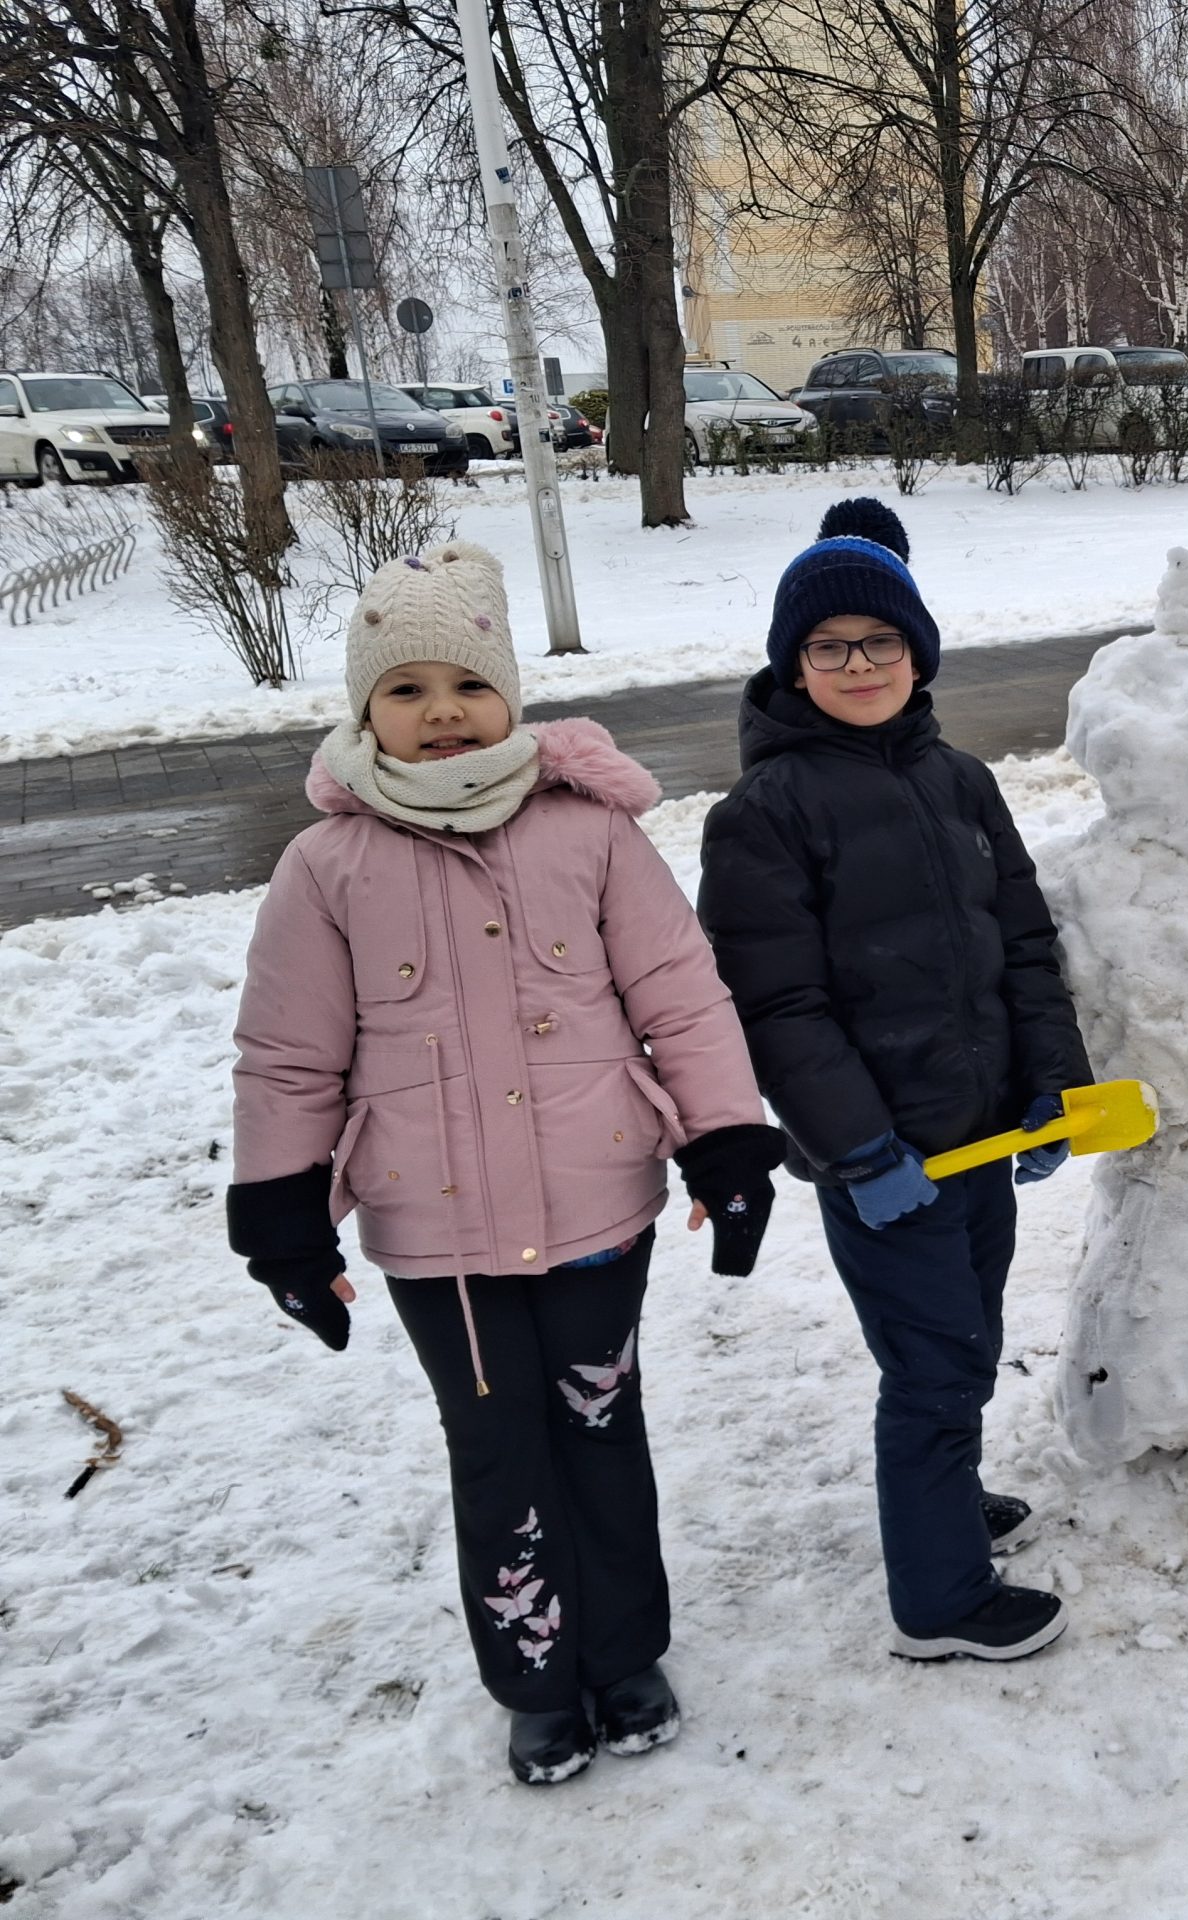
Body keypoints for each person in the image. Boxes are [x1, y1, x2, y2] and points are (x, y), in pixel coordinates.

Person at [227, 541, 781, 1787]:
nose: (441, 714)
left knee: (598, 1425)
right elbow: (288, 1061)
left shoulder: (588, 833)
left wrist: (727, 1146)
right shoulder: (326, 868)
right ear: (364, 707)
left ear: (510, 699)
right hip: (440, 1236)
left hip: (596, 1207)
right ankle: (534, 1674)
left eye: (467, 686)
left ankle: (627, 1650)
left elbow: (682, 1000)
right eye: (406, 688)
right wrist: (283, 1224)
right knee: (495, 1449)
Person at [696, 499, 1091, 1663]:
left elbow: (1021, 942)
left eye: (881, 641)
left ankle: (945, 1510)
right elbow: (776, 1005)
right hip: (884, 1160)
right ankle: (938, 1598)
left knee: (966, 1333)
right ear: (793, 664)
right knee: (932, 1364)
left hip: (977, 1137)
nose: (858, 665)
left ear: (918, 652)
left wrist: (1048, 1082)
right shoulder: (761, 815)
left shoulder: (960, 779)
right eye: (829, 648)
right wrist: (857, 1149)